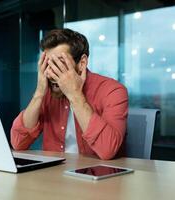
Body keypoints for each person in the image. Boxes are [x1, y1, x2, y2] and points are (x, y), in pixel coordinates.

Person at [10, 29, 128, 160]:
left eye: (59, 63)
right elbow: (18, 143)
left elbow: (107, 150)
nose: (50, 73)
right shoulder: (49, 91)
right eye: (47, 64)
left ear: (82, 63)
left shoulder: (113, 90)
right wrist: (39, 93)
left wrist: (75, 94)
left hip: (97, 174)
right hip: (54, 174)